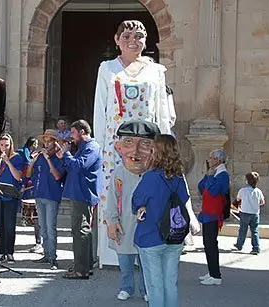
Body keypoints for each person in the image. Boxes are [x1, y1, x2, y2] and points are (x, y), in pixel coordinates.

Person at [92, 19, 176, 267]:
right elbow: (100, 106)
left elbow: (161, 108)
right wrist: (101, 143)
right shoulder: (107, 69)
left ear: (146, 41)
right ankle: (113, 253)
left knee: (147, 192)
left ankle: (146, 251)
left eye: (139, 36)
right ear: (117, 40)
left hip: (149, 143)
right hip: (116, 144)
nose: (132, 40)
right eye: (127, 36)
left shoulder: (156, 71)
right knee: (116, 192)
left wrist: (164, 141)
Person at [132, 134, 190, 307]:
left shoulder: (151, 177)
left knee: (155, 286)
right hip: (175, 235)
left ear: (157, 151)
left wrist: (143, 207)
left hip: (151, 236)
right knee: (170, 284)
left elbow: (136, 201)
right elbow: (185, 197)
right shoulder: (179, 177)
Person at [105, 120, 159, 302]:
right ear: (119, 147)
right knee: (125, 260)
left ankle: (147, 289)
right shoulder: (119, 173)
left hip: (148, 225)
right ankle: (126, 287)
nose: (135, 152)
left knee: (147, 261)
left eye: (144, 144)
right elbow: (112, 199)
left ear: (154, 149)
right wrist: (112, 221)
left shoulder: (156, 173)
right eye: (128, 143)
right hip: (124, 224)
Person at [56, 120, 103, 279]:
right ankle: (85, 265)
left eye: (74, 133)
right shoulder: (83, 148)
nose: (72, 137)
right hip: (78, 193)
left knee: (80, 230)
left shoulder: (91, 148)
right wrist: (63, 156)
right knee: (82, 230)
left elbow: (79, 166)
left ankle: (81, 270)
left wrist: (67, 153)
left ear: (82, 132)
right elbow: (71, 167)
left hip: (83, 194)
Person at [27, 129, 66, 270]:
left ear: (55, 143)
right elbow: (28, 174)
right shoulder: (40, 157)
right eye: (46, 141)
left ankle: (53, 258)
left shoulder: (59, 158)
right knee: (42, 228)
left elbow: (57, 176)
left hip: (52, 195)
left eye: (50, 141)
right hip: (39, 194)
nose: (47, 144)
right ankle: (46, 254)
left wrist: (49, 159)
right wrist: (33, 161)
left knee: (51, 228)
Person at [0, 134, 26, 263]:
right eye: (1, 145)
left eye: (6, 145)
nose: (4, 148)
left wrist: (8, 162)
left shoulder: (17, 158)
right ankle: (1, 252)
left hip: (10, 196)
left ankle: (10, 252)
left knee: (9, 225)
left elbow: (18, 176)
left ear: (11, 145)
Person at [197, 149, 230, 286]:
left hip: (213, 215)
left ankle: (216, 275)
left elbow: (212, 191)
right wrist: (208, 175)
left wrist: (210, 177)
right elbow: (201, 187)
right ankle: (212, 272)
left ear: (218, 160)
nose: (208, 160)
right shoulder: (214, 173)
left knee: (211, 245)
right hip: (208, 213)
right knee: (207, 244)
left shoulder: (222, 175)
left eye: (211, 158)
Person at [18, 137, 42, 253]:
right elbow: (27, 167)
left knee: (38, 217)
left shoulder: (37, 155)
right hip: (30, 184)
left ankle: (39, 242)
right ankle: (39, 242)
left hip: (36, 186)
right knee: (36, 215)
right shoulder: (24, 152)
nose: (36, 146)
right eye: (35, 143)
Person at [233, 171, 265, 255]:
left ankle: (239, 245)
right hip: (255, 213)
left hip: (244, 212)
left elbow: (238, 199)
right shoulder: (258, 191)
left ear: (247, 180)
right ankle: (256, 247)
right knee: (254, 231)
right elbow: (262, 202)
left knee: (243, 230)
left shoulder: (243, 190)